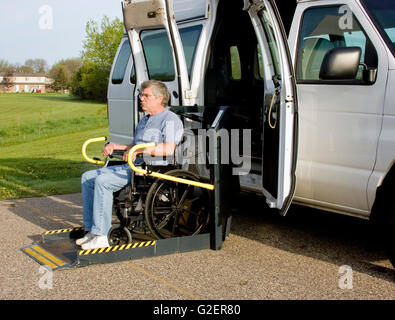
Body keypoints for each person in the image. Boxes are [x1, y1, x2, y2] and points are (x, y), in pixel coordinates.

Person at [77, 80, 184, 250]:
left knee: (103, 182)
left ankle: (102, 235)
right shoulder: (144, 120)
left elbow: (169, 148)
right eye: (141, 95)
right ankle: (92, 230)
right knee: (87, 177)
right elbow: (134, 145)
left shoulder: (170, 119)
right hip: (133, 165)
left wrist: (139, 151)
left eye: (146, 95)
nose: (141, 98)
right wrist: (116, 146)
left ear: (159, 98)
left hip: (152, 168)